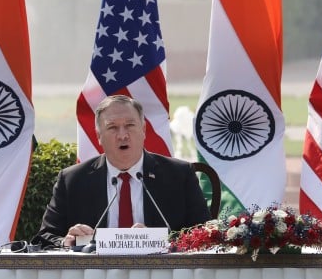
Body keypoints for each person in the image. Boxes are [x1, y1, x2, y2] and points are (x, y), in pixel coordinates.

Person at [36, 95, 210, 248]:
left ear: (143, 131)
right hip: (95, 277)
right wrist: (66, 242)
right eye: (112, 127)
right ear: (98, 136)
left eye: (129, 125)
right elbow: (44, 237)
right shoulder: (73, 180)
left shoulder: (179, 175)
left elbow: (203, 233)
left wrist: (159, 241)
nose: (122, 135)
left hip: (160, 276)